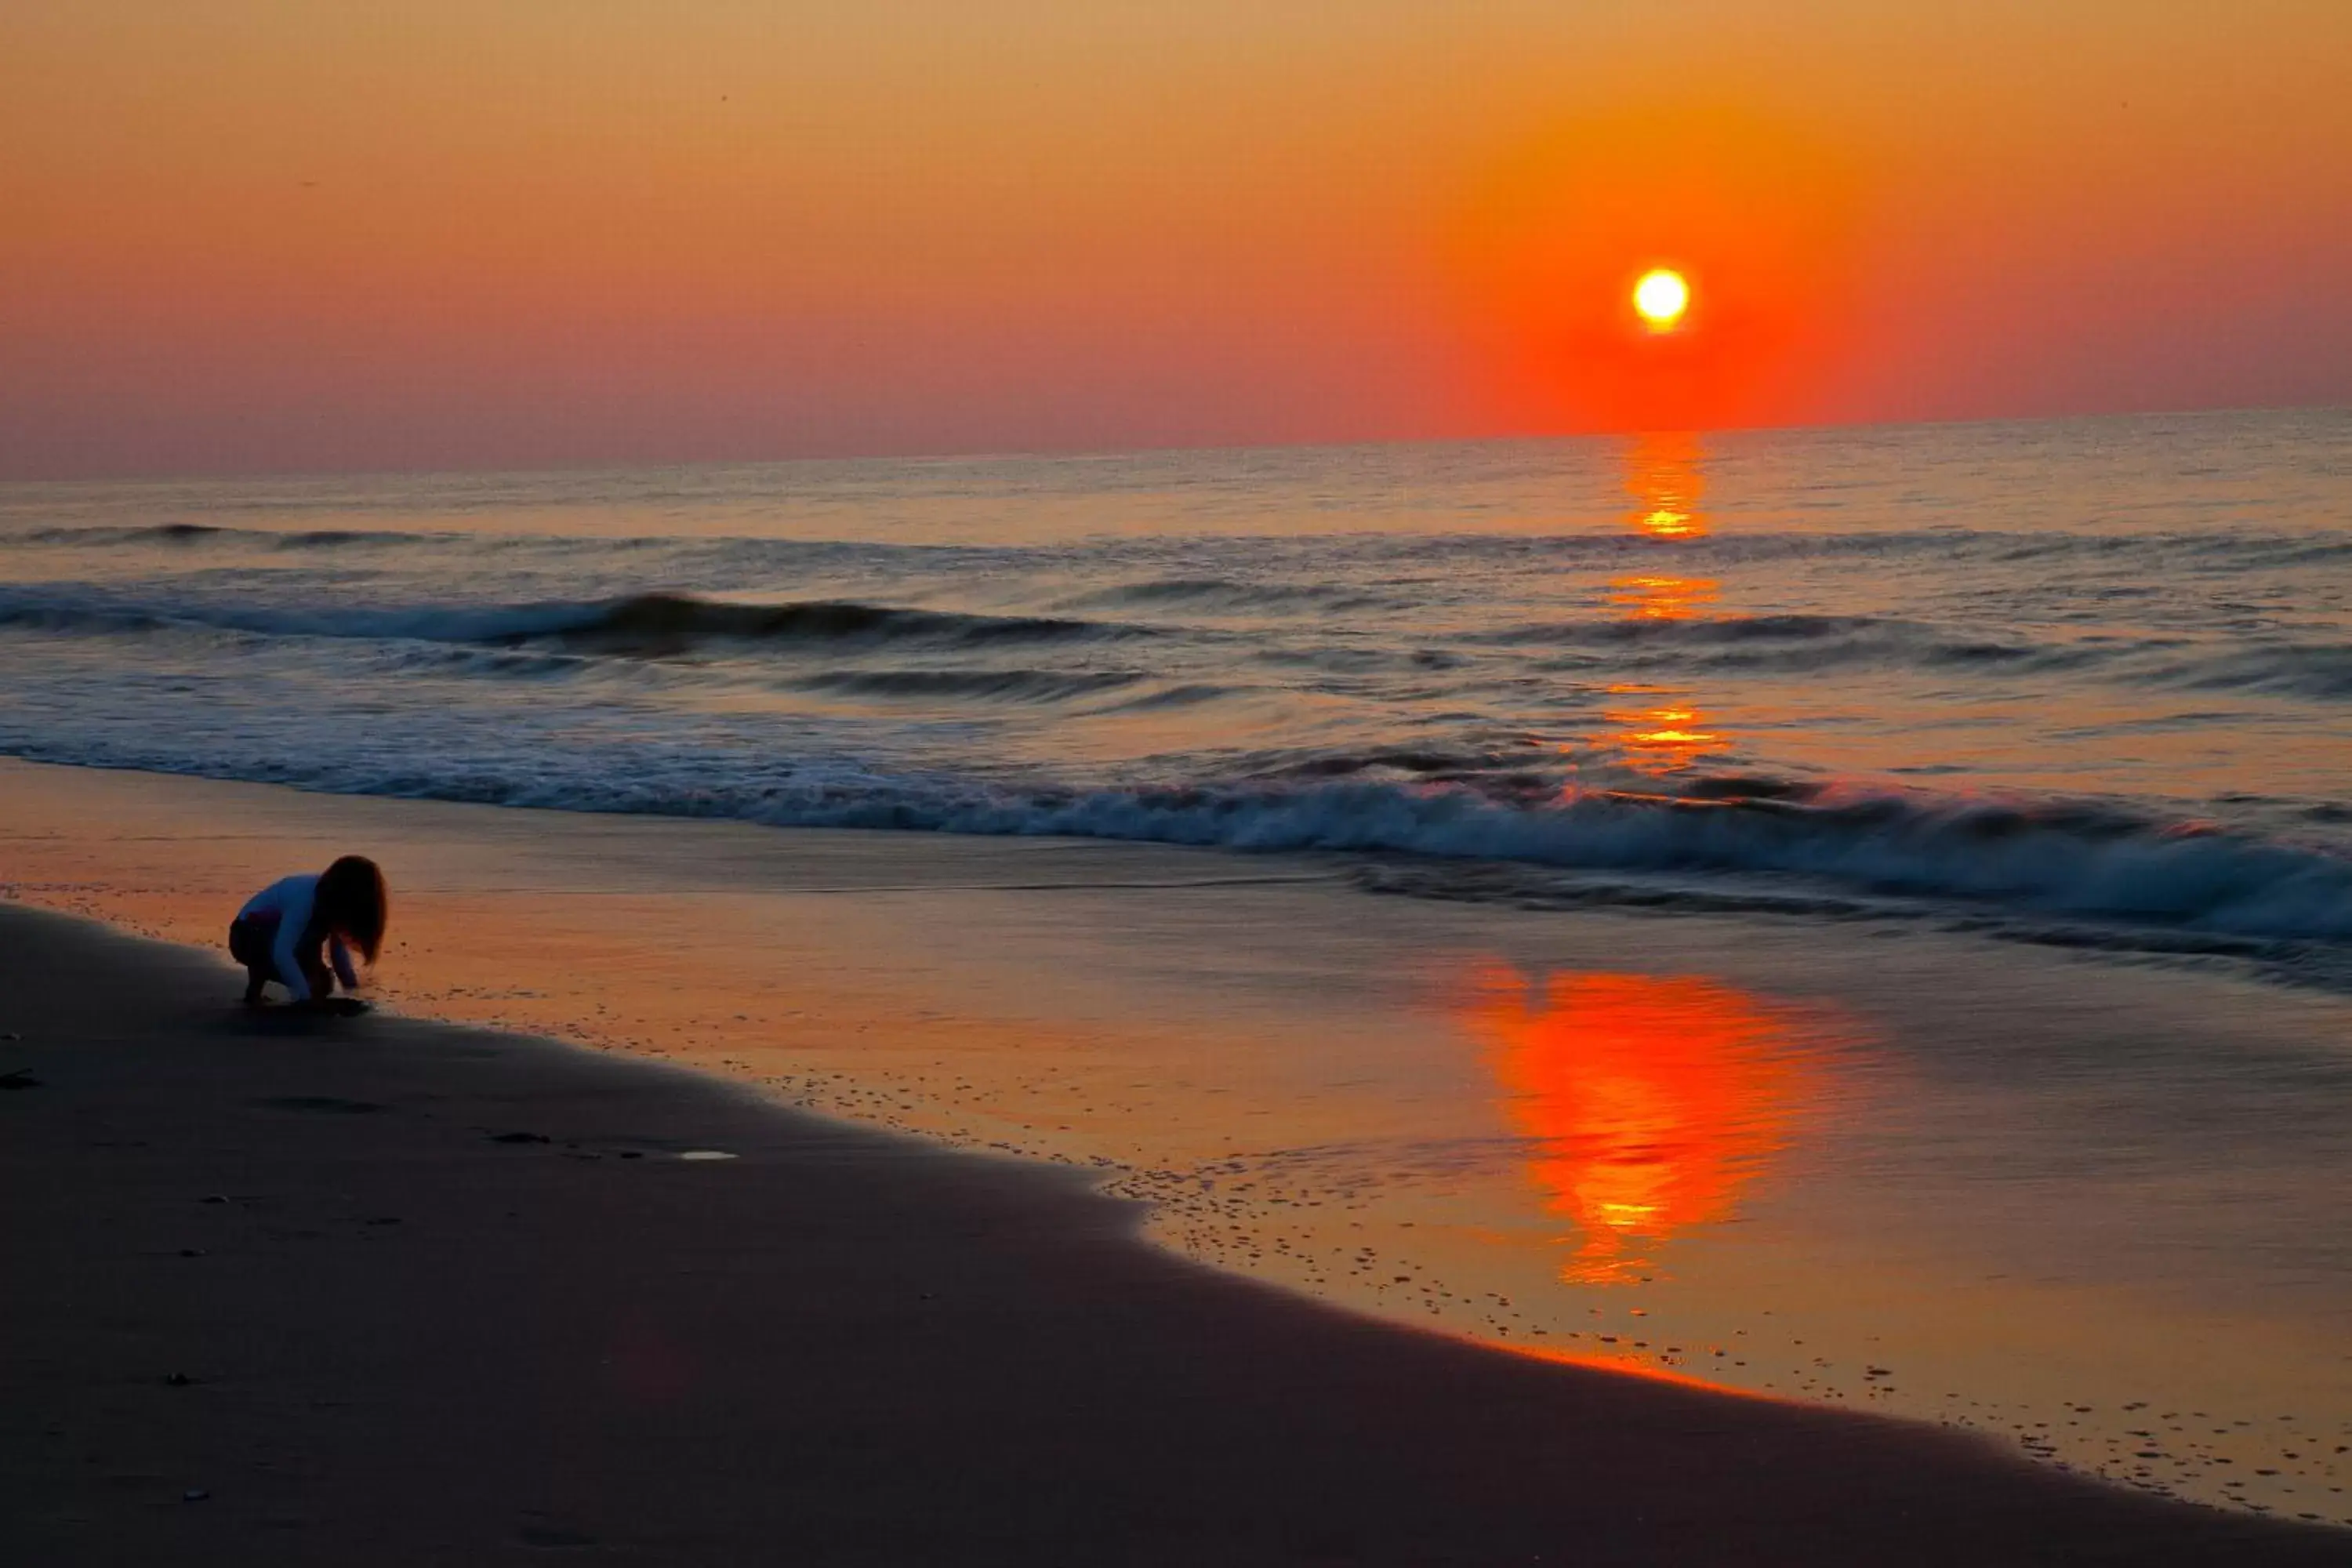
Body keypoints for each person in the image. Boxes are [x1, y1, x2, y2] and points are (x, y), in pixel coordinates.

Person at [228, 855, 388, 1009]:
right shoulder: (305, 900)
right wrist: (304, 998)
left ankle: (259, 985)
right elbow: (282, 953)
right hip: (244, 937)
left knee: (322, 982)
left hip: (270, 936)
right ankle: (257, 984)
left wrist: (353, 990)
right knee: (311, 982)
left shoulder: (330, 907)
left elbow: (338, 954)